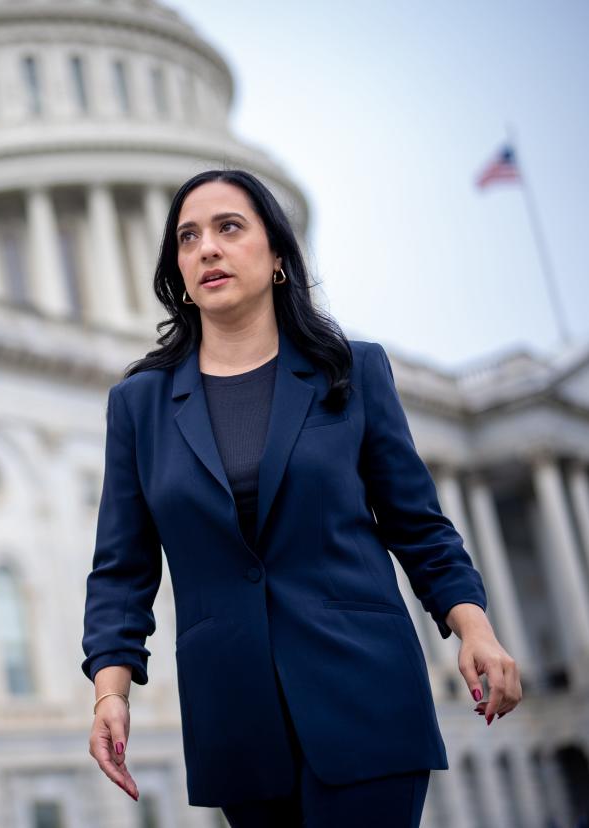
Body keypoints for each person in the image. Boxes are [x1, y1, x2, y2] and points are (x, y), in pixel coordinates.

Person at [80, 169, 522, 826]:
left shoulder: (352, 371)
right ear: (178, 271)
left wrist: (474, 628)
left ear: (278, 256)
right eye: (188, 237)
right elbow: (122, 568)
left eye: (229, 228)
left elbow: (419, 525)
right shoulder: (138, 405)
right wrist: (109, 692)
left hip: (365, 693)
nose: (207, 248)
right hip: (235, 719)